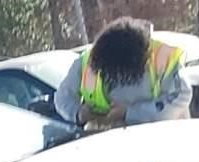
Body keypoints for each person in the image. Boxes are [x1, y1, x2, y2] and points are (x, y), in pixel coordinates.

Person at [55, 17, 190, 128]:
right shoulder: (88, 61)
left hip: (162, 139)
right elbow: (62, 98)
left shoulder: (164, 58)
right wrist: (79, 113)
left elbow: (180, 97)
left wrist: (130, 113)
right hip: (107, 142)